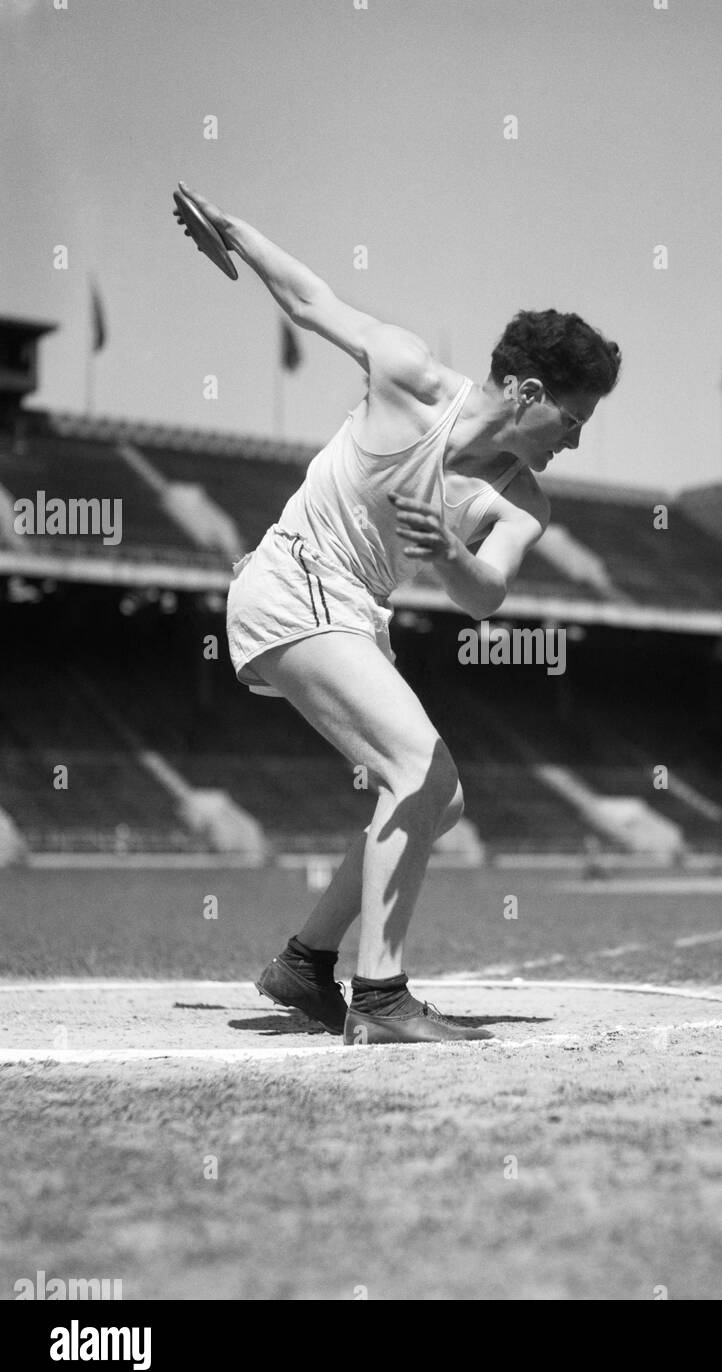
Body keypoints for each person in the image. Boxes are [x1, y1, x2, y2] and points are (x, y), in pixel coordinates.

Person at [177, 185, 621, 1044]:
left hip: (352, 612)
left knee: (432, 801)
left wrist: (452, 554)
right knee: (423, 770)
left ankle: (306, 964)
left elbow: (486, 594)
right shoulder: (411, 375)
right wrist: (234, 232)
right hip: (291, 579)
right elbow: (313, 301)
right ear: (528, 393)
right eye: (573, 418)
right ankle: (379, 997)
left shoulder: (521, 500)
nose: (576, 439)